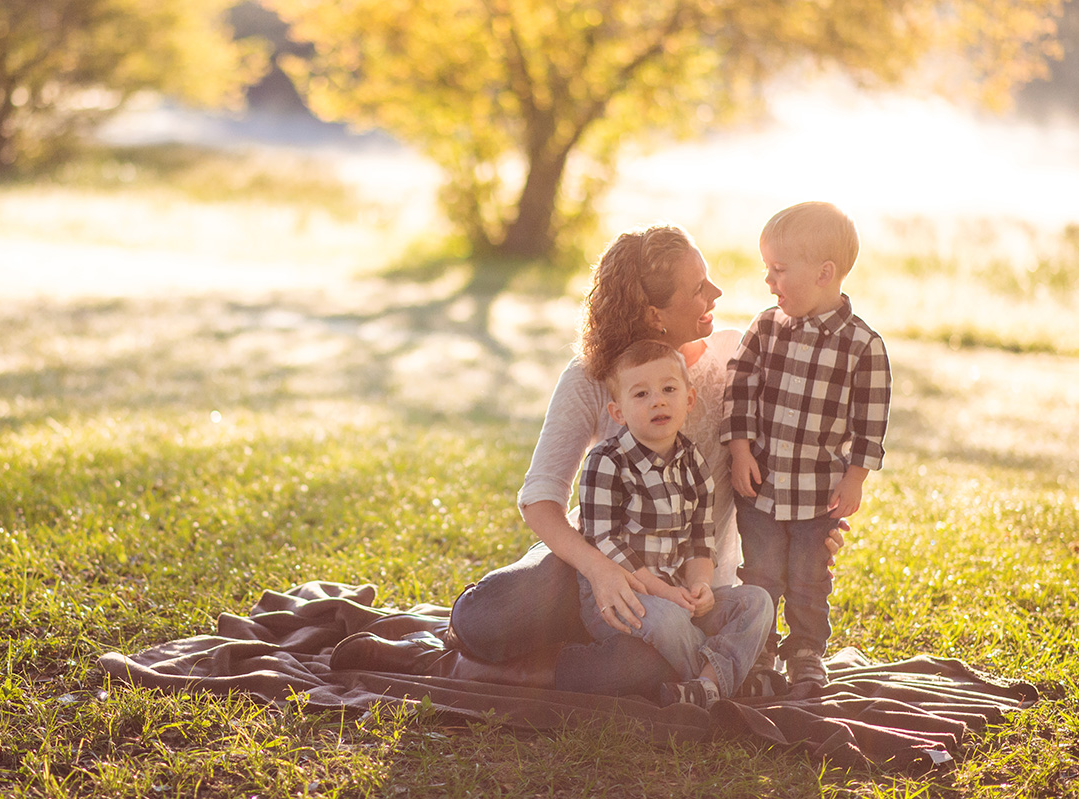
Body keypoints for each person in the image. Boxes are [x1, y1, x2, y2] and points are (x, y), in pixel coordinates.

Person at [331, 223, 843, 701]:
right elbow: (540, 497)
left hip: (690, 585)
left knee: (640, 672)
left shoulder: (737, 355)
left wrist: (816, 526)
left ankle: (469, 671)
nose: (717, 296)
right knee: (486, 617)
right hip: (592, 561)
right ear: (652, 314)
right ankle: (471, 642)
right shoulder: (592, 377)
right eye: (699, 288)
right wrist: (600, 572)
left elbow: (796, 443)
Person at [722, 201, 892, 686]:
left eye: (778, 270)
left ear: (824, 273)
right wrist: (738, 449)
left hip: (819, 493)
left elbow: (870, 418)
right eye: (766, 270)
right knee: (760, 574)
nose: (769, 282)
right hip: (761, 484)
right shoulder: (765, 327)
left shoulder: (863, 345)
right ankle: (756, 651)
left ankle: (805, 653)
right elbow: (740, 386)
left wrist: (855, 477)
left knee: (809, 578)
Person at [577, 339, 771, 707]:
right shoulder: (607, 462)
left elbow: (701, 537)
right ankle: (724, 681)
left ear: (689, 400)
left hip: (677, 595)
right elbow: (605, 541)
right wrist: (663, 594)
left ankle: (705, 686)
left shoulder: (693, 461)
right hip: (621, 595)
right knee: (668, 621)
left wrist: (700, 585)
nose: (658, 401)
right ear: (618, 413)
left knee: (756, 602)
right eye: (642, 394)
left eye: (669, 389)